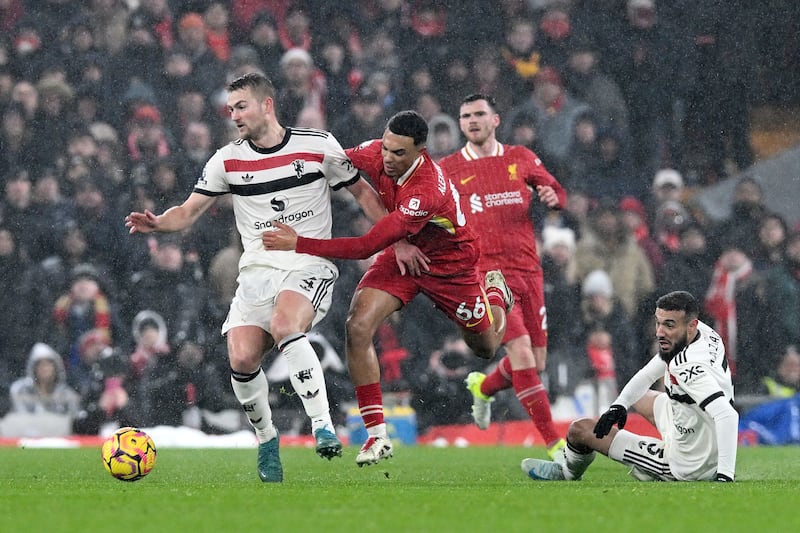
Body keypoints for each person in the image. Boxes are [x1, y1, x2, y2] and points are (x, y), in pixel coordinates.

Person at [124, 72, 418, 482]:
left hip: (308, 262)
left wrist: (398, 240)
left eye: (241, 106)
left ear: (267, 105)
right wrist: (160, 223)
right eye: (230, 110)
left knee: (285, 325)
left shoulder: (318, 145)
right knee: (242, 358)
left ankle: (322, 425)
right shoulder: (226, 160)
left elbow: (364, 194)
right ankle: (266, 440)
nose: (234, 115)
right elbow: (188, 211)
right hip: (257, 271)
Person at [261, 109, 514, 467]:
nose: (389, 159)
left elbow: (365, 247)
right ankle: (377, 436)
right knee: (357, 325)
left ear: (421, 151)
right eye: (387, 149)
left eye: (399, 153)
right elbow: (327, 160)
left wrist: (299, 243)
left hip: (449, 265)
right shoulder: (374, 152)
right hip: (404, 256)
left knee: (486, 348)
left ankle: (496, 295)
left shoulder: (426, 189)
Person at [437, 94, 567, 458]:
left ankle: (484, 388)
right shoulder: (447, 170)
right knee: (523, 354)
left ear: (496, 120)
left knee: (536, 361)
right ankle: (556, 445)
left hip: (528, 270)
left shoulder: (520, 158)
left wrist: (552, 197)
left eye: (480, 114)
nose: (472, 121)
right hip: (486, 276)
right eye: (465, 116)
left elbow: (558, 191)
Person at [522, 290, 739, 482]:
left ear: (690, 325)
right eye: (658, 322)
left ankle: (567, 472)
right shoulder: (704, 334)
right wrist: (619, 405)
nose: (659, 332)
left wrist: (724, 476)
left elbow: (728, 416)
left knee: (579, 430)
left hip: (687, 463)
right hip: (696, 425)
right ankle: (690, 451)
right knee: (639, 396)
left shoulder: (688, 367)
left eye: (669, 325)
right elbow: (646, 375)